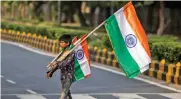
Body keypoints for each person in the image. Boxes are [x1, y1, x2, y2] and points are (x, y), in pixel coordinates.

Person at [46, 34, 74, 99]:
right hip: (63, 75)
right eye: (60, 42)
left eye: (62, 42)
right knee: (67, 93)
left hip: (69, 75)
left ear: (67, 43)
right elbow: (58, 63)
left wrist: (56, 63)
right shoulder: (63, 52)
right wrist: (51, 71)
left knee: (64, 92)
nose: (60, 44)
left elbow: (65, 63)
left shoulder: (71, 52)